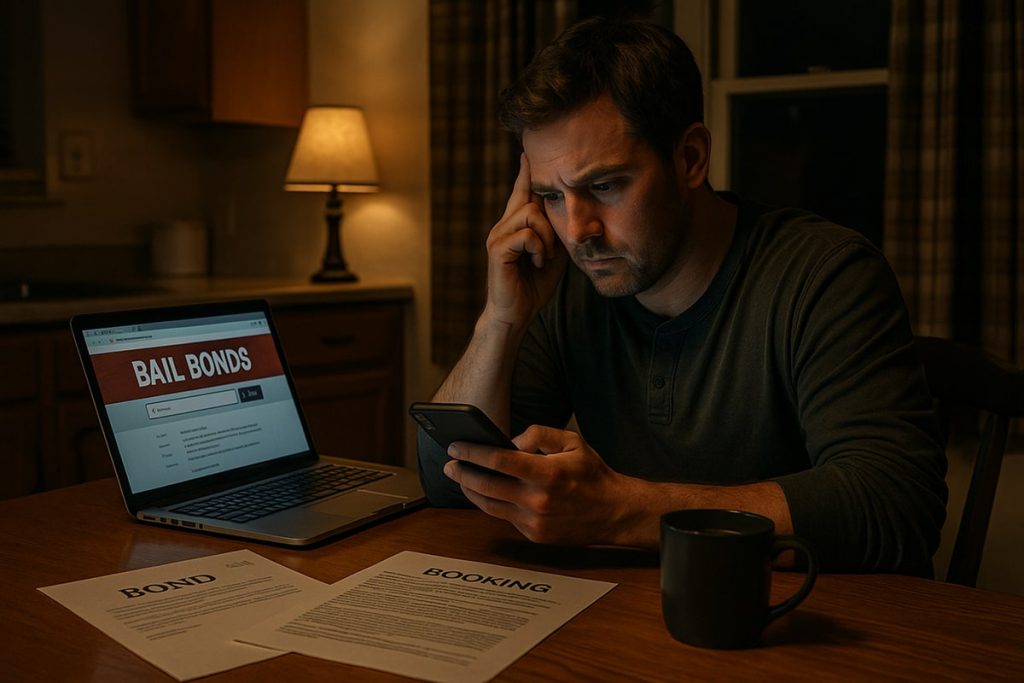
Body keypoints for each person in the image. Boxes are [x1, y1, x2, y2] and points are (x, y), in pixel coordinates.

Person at [418, 17, 947, 576]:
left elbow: (896, 506)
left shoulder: (825, 274)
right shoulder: (570, 286)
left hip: (807, 622)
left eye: (604, 185)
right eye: (551, 195)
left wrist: (619, 511)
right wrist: (500, 320)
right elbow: (445, 479)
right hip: (638, 617)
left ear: (691, 158)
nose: (576, 231)